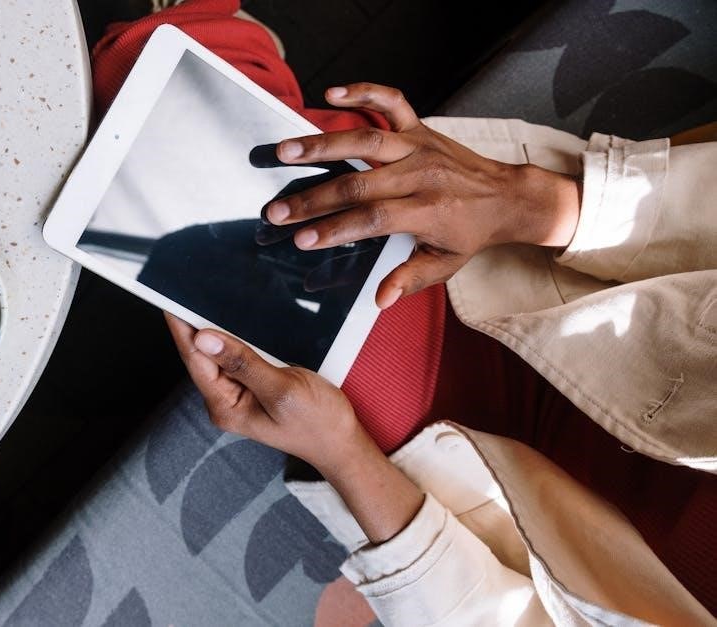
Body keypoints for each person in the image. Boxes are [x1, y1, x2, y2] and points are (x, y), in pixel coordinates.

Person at [92, 1, 717, 624]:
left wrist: (341, 451)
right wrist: (528, 202)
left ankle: (251, 72)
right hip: (585, 280)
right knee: (189, 91)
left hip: (484, 485)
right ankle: (258, 72)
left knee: (150, 114)